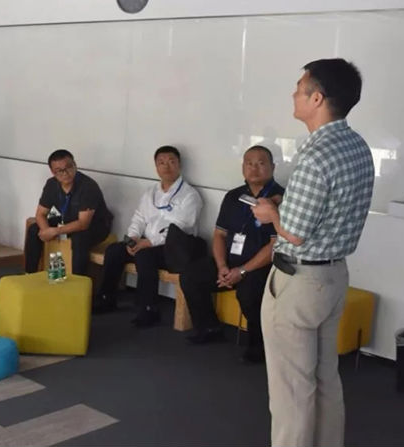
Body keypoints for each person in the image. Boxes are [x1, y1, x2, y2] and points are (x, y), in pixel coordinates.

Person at [252, 59, 374, 447]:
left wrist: (272, 214)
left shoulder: (315, 154)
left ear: (317, 98)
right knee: (325, 378)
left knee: (291, 392)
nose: (294, 93)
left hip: (299, 282)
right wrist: (285, 207)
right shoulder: (356, 146)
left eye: (299, 87)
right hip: (333, 277)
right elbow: (328, 209)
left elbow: (295, 234)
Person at [178, 146, 284, 362]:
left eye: (261, 163)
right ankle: (208, 327)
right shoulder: (234, 196)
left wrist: (242, 271)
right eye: (249, 163)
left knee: (249, 292)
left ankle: (260, 345)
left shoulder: (282, 199)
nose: (254, 168)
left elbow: (276, 245)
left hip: (262, 266)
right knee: (191, 275)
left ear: (272, 167)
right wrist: (222, 266)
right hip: (230, 261)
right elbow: (219, 234)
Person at [92, 145, 203, 324]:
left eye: (171, 162)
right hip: (146, 243)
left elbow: (181, 227)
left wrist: (148, 243)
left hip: (174, 248)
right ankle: (106, 299)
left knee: (145, 256)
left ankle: (148, 309)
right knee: (114, 250)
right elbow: (139, 217)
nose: (166, 166)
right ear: (156, 167)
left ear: (179, 165)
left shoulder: (190, 195)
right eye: (161, 163)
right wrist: (133, 238)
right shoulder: (151, 192)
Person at [24, 149, 113, 276]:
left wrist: (55, 231)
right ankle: (29, 274)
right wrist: (46, 230)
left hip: (94, 226)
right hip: (66, 219)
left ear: (75, 165)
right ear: (53, 172)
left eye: (69, 167)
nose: (65, 173)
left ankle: (78, 280)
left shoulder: (88, 186)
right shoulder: (51, 184)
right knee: (34, 229)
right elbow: (40, 214)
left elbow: (83, 224)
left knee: (79, 239)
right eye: (59, 171)